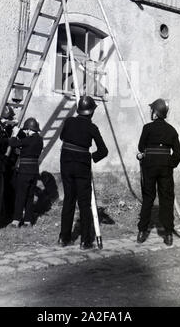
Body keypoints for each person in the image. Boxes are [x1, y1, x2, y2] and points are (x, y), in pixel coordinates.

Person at [59, 95, 108, 250]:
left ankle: (63, 238)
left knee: (68, 200)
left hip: (66, 163)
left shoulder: (68, 121)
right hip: (81, 166)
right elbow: (103, 150)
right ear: (91, 112)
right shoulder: (92, 127)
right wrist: (92, 157)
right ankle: (85, 241)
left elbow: (62, 137)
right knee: (84, 204)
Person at [137, 98, 180, 246]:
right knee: (167, 199)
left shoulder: (147, 128)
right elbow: (178, 154)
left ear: (156, 113)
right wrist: (170, 164)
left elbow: (140, 147)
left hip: (149, 166)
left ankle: (142, 232)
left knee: (148, 198)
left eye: (152, 110)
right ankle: (168, 234)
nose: (151, 112)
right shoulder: (172, 130)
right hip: (165, 167)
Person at [9, 117, 43, 228]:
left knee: (20, 195)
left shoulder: (28, 139)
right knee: (30, 196)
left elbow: (13, 143)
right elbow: (29, 149)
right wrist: (23, 151)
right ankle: (28, 221)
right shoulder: (39, 139)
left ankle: (16, 220)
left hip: (24, 171)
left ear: (28, 129)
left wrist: (14, 134)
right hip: (34, 170)